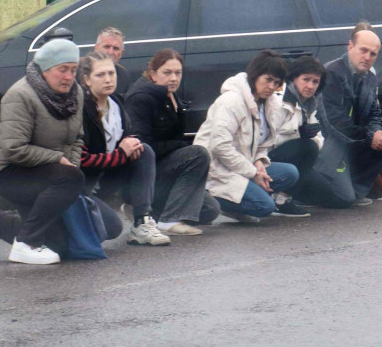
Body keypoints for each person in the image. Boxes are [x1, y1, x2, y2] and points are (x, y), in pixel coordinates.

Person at [0, 39, 86, 265]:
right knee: (70, 179)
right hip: (8, 171)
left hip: (48, 172)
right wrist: (60, 161)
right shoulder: (20, 95)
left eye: (73, 70)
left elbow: (78, 137)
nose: (69, 77)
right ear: (45, 70)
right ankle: (27, 243)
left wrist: (72, 164)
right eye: (62, 70)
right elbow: (14, 148)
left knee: (60, 247)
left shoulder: (76, 93)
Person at [194, 50, 299, 222]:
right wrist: (253, 173)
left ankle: (240, 200)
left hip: (243, 165)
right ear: (255, 76)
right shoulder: (231, 101)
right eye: (268, 80)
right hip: (216, 170)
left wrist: (259, 161)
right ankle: (212, 198)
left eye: (277, 83)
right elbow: (220, 147)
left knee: (290, 173)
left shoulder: (269, 103)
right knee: (265, 207)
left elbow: (263, 142)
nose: (272, 87)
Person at [78, 51, 169, 245]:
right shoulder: (81, 109)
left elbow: (126, 138)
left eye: (111, 74)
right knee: (111, 229)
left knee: (144, 150)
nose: (108, 79)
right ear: (87, 80)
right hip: (85, 184)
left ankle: (142, 222)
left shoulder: (116, 103)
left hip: (108, 175)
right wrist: (121, 153)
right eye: (100, 75)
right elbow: (82, 160)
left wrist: (130, 142)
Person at [297, 23, 382, 207]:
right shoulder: (332, 72)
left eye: (373, 54)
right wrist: (369, 136)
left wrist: (376, 132)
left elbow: (374, 113)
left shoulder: (370, 78)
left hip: (353, 140)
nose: (367, 57)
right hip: (331, 143)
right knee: (344, 198)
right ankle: (305, 191)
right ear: (350, 46)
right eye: (363, 50)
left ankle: (355, 190)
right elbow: (333, 123)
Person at [125, 50, 220, 234]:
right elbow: (142, 146)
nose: (174, 78)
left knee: (210, 210)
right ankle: (169, 221)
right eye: (167, 73)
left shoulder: (169, 95)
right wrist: (183, 149)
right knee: (198, 154)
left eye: (178, 73)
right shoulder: (141, 97)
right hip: (144, 175)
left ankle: (147, 212)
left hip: (165, 170)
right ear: (153, 74)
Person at [266, 55, 325, 217]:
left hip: (295, 157)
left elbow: (319, 140)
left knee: (330, 195)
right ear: (294, 79)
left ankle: (289, 193)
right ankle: (281, 200)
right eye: (305, 79)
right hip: (266, 158)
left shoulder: (310, 103)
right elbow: (265, 140)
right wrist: (299, 134)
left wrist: (307, 136)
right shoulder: (279, 101)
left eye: (315, 81)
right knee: (308, 147)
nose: (310, 86)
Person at [94, 26, 132, 95]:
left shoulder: (123, 76)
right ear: (96, 48)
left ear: (121, 53)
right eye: (106, 47)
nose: (110, 52)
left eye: (116, 48)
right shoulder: (81, 71)